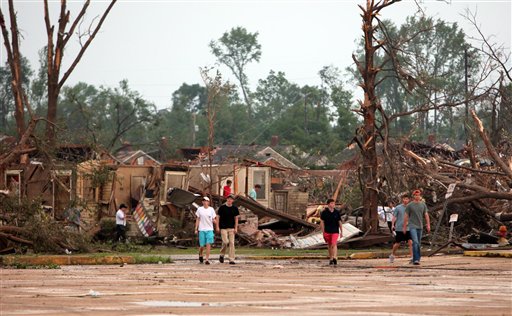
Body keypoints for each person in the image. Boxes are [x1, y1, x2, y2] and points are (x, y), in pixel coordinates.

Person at [403, 189, 430, 265]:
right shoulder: (410, 205)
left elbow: (426, 215)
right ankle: (416, 259)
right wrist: (404, 227)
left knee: (418, 243)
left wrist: (428, 224)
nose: (417, 196)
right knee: (415, 242)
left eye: (418, 195)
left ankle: (417, 258)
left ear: (420, 196)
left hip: (420, 226)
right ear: (413, 196)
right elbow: (406, 216)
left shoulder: (423, 205)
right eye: (415, 195)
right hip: (412, 226)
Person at [216, 194, 240, 264]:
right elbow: (217, 217)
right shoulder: (222, 208)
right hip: (223, 228)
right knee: (225, 242)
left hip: (231, 228)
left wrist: (236, 228)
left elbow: (236, 219)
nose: (230, 200)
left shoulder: (235, 208)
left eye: (231, 199)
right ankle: (222, 254)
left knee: (232, 243)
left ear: (233, 200)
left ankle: (231, 259)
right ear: (227, 199)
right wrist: (217, 226)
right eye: (228, 199)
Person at [389, 194, 413, 263]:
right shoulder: (398, 208)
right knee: (397, 243)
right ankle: (392, 255)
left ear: (409, 200)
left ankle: (412, 257)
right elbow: (394, 217)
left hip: (408, 228)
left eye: (407, 199)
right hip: (399, 228)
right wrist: (392, 225)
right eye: (405, 199)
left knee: (410, 242)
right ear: (403, 199)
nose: (406, 200)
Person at [195, 196, 218, 265]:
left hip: (209, 229)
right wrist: (196, 228)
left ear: (208, 202)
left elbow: (214, 218)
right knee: (202, 245)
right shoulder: (199, 209)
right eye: (204, 201)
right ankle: (201, 254)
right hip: (202, 229)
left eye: (206, 201)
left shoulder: (211, 209)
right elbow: (198, 219)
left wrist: (215, 222)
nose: (205, 202)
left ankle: (207, 259)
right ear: (202, 202)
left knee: (208, 244)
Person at [320, 198, 343, 265]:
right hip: (327, 231)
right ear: (328, 204)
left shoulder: (336, 212)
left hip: (335, 231)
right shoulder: (324, 212)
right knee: (329, 245)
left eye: (334, 203)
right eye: (332, 203)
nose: (333, 205)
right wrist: (323, 232)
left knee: (334, 243)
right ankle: (331, 258)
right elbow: (322, 222)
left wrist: (341, 231)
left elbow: (340, 222)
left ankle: (335, 257)